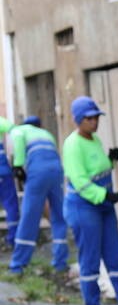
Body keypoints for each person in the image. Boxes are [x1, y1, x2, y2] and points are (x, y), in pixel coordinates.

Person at [62, 96, 118, 305]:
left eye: (96, 117)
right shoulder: (72, 145)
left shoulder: (93, 139)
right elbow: (81, 181)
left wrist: (110, 161)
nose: (94, 122)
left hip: (104, 207)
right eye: (89, 118)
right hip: (84, 209)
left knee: (115, 258)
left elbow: (97, 170)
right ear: (78, 120)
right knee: (90, 260)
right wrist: (108, 196)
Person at [8, 115, 69, 276]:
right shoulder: (47, 134)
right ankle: (60, 262)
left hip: (37, 172)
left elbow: (18, 140)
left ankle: (18, 265)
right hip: (56, 171)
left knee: (29, 216)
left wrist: (17, 166)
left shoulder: (20, 130)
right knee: (58, 216)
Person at [0, 118, 20, 250]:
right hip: (3, 171)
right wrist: (18, 160)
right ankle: (12, 239)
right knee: (11, 205)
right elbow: (16, 132)